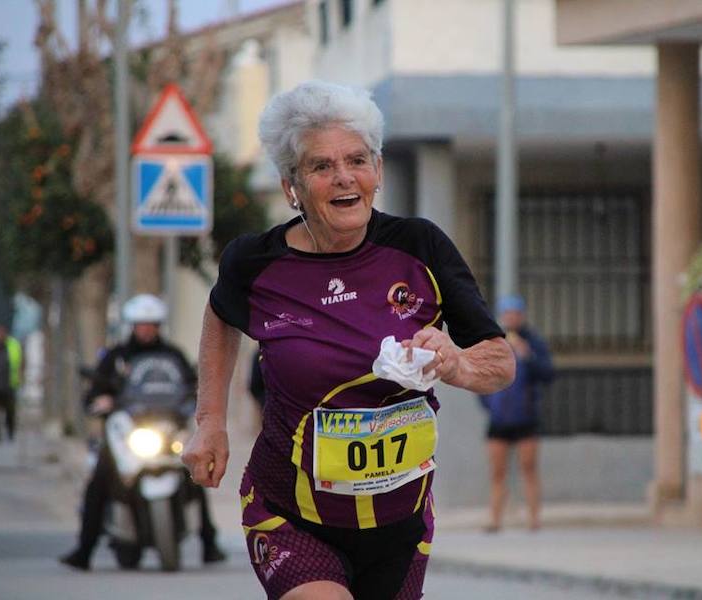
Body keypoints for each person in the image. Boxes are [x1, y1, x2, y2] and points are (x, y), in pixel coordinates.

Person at [181, 80, 515, 600]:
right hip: (290, 513)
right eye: (321, 166)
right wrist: (210, 422)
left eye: (357, 160)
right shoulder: (256, 262)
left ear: (377, 171)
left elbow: (500, 362)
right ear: (292, 185)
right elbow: (220, 316)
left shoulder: (419, 246)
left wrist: (455, 365)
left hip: (399, 521)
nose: (344, 178)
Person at [60, 294, 226, 570]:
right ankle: (84, 549)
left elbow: (192, 384)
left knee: (197, 473)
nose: (146, 329)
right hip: (127, 433)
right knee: (99, 479)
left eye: (152, 324)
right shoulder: (116, 357)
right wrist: (101, 400)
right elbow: (95, 392)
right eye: (141, 324)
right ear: (132, 326)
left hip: (168, 431)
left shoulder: (173, 356)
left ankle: (209, 543)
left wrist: (197, 399)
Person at [479, 295, 554, 532]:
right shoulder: (495, 341)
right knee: (497, 472)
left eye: (515, 313)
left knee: (529, 468)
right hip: (499, 418)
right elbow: (481, 376)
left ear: (522, 315)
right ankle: (495, 519)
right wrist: (489, 403)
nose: (512, 318)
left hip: (526, 417)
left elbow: (548, 374)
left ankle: (534, 519)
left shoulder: (533, 342)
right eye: (507, 313)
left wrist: (527, 356)